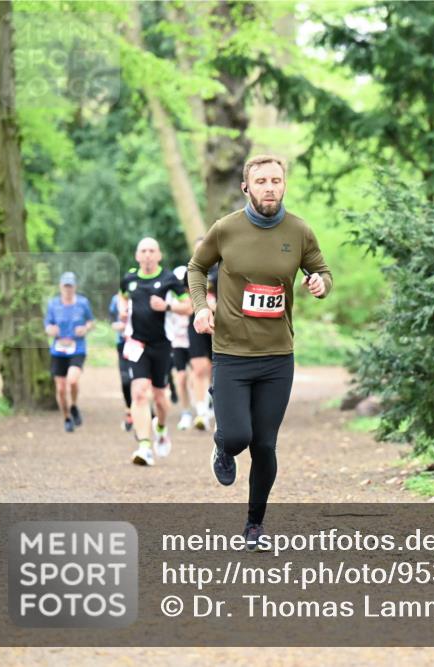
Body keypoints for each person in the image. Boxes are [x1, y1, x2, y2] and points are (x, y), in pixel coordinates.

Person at [188, 154, 332, 551]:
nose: (270, 187)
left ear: (284, 184)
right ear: (246, 187)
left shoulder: (299, 231)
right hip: (232, 353)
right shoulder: (226, 230)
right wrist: (202, 306)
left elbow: (321, 270)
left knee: (264, 445)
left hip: (276, 356)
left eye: (276, 180)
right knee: (237, 436)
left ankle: (254, 524)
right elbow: (195, 268)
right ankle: (222, 445)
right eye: (261, 181)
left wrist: (320, 282)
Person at [119, 238, 191, 466]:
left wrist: (167, 306)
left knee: (160, 398)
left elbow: (189, 306)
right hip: (137, 344)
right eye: (143, 251)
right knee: (139, 392)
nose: (148, 255)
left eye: (152, 251)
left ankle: (160, 427)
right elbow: (122, 296)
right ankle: (144, 447)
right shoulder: (129, 278)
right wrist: (122, 310)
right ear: (137, 255)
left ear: (159, 255)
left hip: (162, 346)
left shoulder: (169, 280)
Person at [44, 271, 94, 433]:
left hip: (77, 348)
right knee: (60, 388)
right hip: (58, 350)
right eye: (65, 286)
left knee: (72, 381)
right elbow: (47, 326)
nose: (68, 289)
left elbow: (91, 321)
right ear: (60, 287)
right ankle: (66, 417)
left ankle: (73, 406)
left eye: (70, 286)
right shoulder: (53, 304)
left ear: (75, 287)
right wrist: (51, 330)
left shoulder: (82, 303)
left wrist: (85, 328)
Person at [186, 238, 218, 431]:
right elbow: (183, 299)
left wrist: (217, 308)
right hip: (197, 324)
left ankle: (214, 403)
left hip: (220, 324)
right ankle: (201, 413)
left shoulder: (223, 270)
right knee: (199, 368)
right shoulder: (190, 271)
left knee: (215, 369)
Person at [166, 265, 194, 430]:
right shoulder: (171, 300)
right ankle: (186, 413)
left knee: (197, 377)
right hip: (178, 343)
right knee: (181, 378)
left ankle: (205, 406)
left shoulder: (196, 297)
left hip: (195, 342)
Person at [108, 292, 133, 431]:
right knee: (125, 380)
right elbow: (111, 319)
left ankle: (146, 410)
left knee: (141, 380)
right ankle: (129, 410)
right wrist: (117, 325)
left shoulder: (142, 292)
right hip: (123, 343)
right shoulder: (115, 299)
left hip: (141, 344)